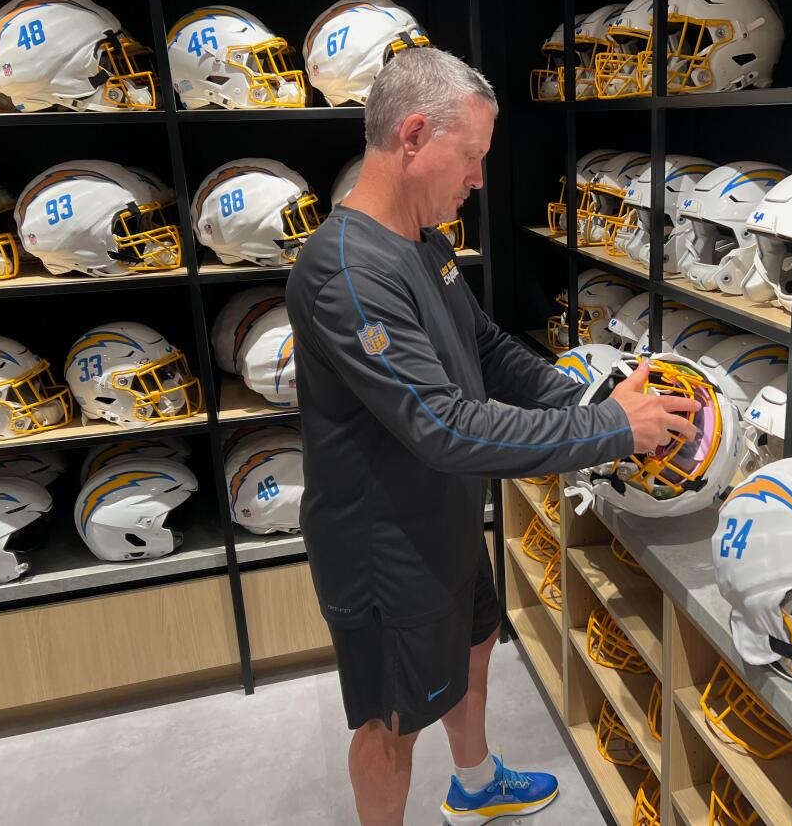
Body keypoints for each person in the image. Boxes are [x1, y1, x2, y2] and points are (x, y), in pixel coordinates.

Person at [285, 47, 698, 826]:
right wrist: (609, 430)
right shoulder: (346, 271)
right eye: (470, 156)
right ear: (412, 138)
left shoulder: (424, 239)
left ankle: (473, 784)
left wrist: (589, 395)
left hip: (440, 516)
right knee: (390, 719)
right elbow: (442, 424)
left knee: (474, 641)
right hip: (381, 546)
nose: (478, 178)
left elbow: (485, 349)